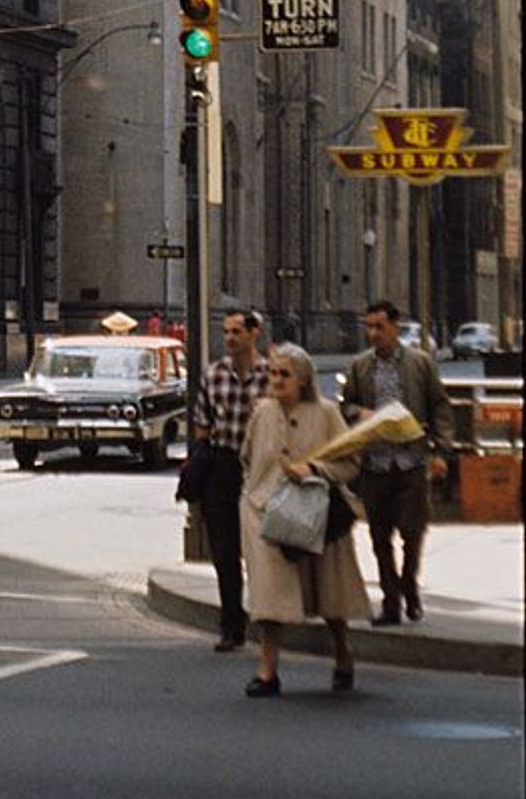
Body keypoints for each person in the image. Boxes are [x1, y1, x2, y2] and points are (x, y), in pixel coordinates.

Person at [241, 343, 369, 696]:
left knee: (329, 592)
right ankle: (268, 671)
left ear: (303, 380)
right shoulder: (262, 413)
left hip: (317, 513)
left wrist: (313, 469)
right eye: (273, 373)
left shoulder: (326, 413)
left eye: (285, 374)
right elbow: (249, 458)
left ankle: (343, 652)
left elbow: (350, 463)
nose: (277, 380)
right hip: (266, 513)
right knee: (269, 594)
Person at [341, 298, 455, 625]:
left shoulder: (419, 364)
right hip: (376, 465)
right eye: (369, 327)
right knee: (379, 537)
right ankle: (391, 602)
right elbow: (345, 405)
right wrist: (358, 413)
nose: (373, 333)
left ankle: (409, 587)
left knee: (412, 532)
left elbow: (440, 407)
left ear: (395, 327)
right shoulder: (360, 366)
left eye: (380, 326)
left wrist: (441, 451)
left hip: (411, 461)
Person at [193, 308, 270, 651]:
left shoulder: (270, 375)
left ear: (254, 333)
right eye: (226, 332)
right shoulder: (214, 375)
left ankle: (266, 618)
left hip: (260, 468)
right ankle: (231, 623)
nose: (229, 338)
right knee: (224, 550)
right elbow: (202, 422)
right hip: (223, 466)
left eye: (236, 331)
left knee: (261, 548)